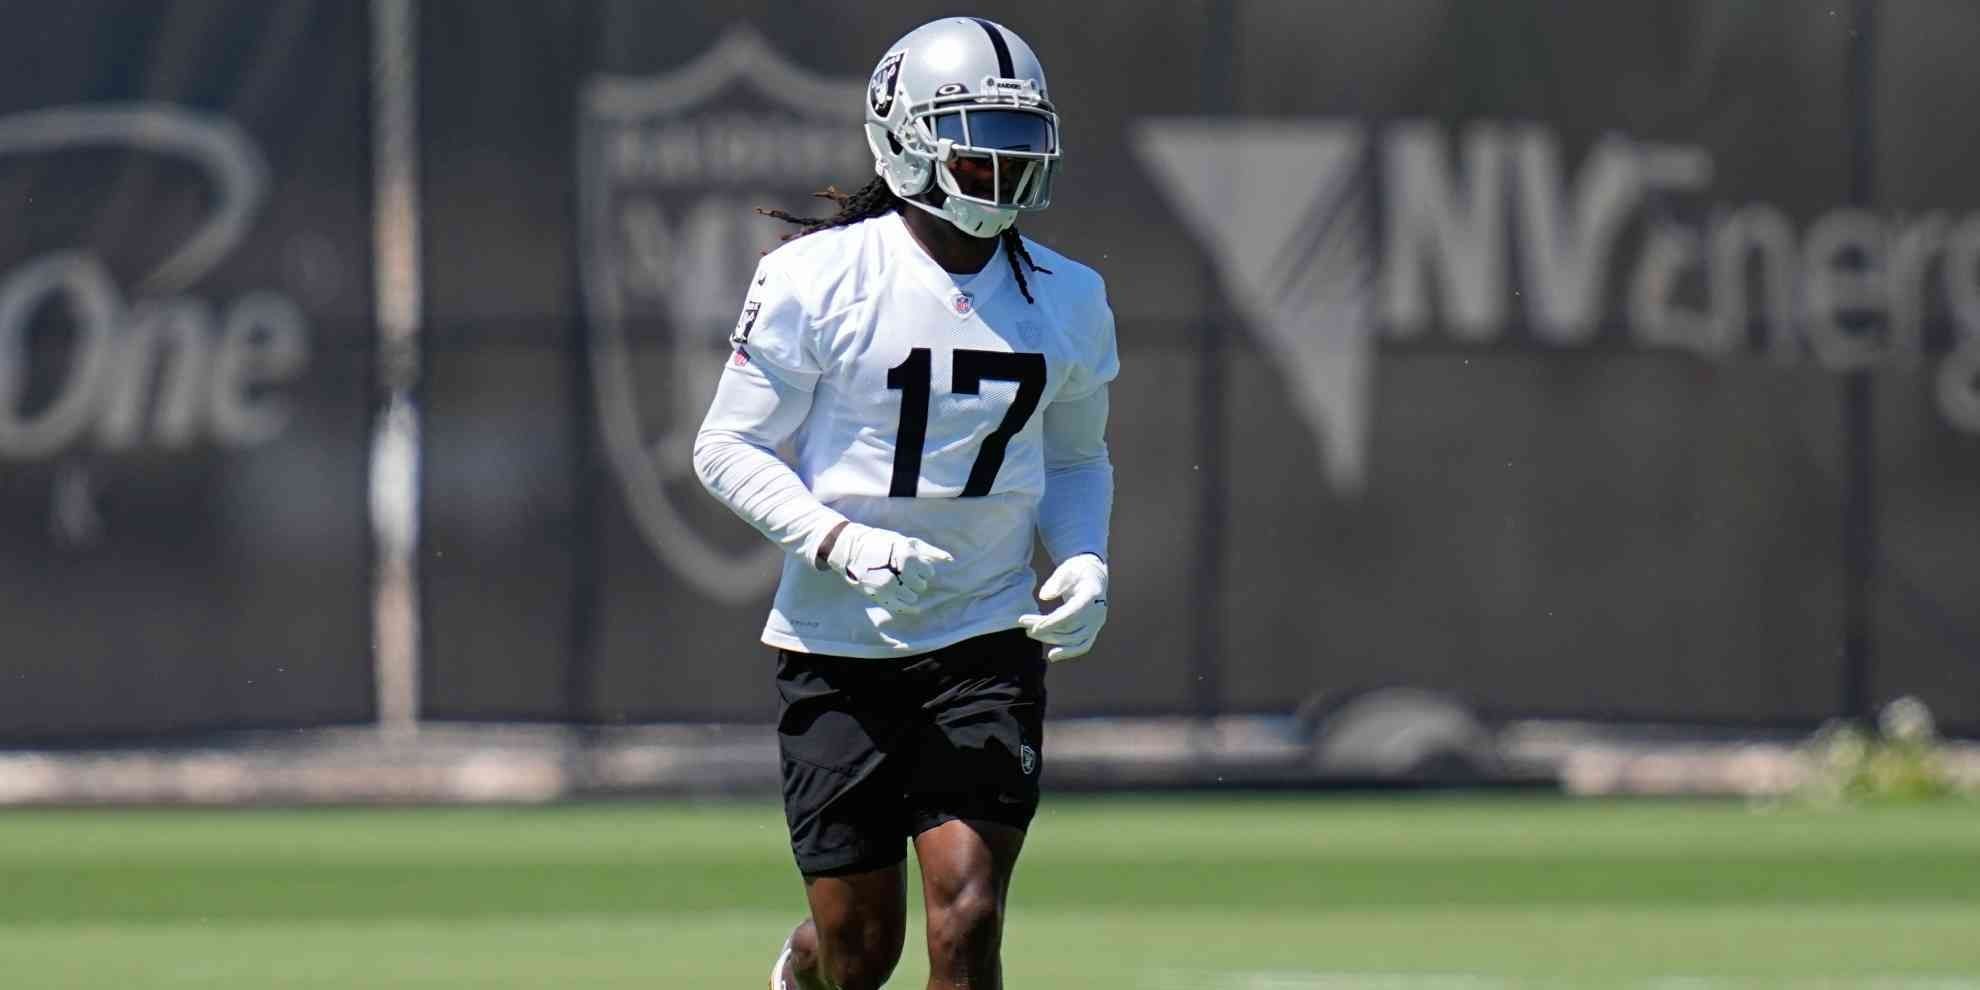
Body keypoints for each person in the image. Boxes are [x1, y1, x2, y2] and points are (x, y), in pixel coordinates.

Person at [691, 16, 1116, 990]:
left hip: (986, 632)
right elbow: (726, 447)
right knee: (861, 948)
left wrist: (1084, 556)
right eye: (979, 138)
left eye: (1019, 140)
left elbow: (1077, 456)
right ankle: (803, 968)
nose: (1003, 166)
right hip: (839, 648)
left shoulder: (1070, 296)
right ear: (906, 137)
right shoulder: (817, 277)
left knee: (967, 919)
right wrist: (838, 541)